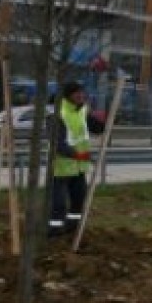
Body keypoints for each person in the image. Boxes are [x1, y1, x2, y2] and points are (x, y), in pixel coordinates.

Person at [48, 81, 105, 237]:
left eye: (82, 92)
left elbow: (97, 128)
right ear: (68, 95)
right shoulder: (57, 114)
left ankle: (73, 229)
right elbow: (58, 144)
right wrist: (78, 155)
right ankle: (54, 232)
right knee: (59, 204)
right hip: (61, 167)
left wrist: (106, 120)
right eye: (77, 93)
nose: (81, 95)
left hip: (79, 167)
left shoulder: (82, 110)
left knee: (79, 200)